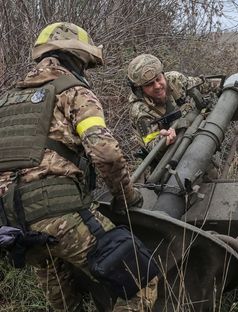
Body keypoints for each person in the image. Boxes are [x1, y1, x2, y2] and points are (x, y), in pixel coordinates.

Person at [0, 22, 157, 311]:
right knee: (140, 277)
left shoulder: (7, 100)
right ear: (78, 58)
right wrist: (126, 198)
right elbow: (106, 153)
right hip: (60, 216)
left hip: (13, 226)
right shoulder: (74, 92)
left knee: (64, 301)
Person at [127, 54, 219, 151]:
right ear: (140, 89)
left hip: (195, 131)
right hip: (171, 153)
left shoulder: (174, 80)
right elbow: (150, 144)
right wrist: (162, 139)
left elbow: (203, 84)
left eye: (158, 79)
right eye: (149, 84)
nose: (157, 86)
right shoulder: (139, 110)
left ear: (163, 74)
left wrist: (226, 84)